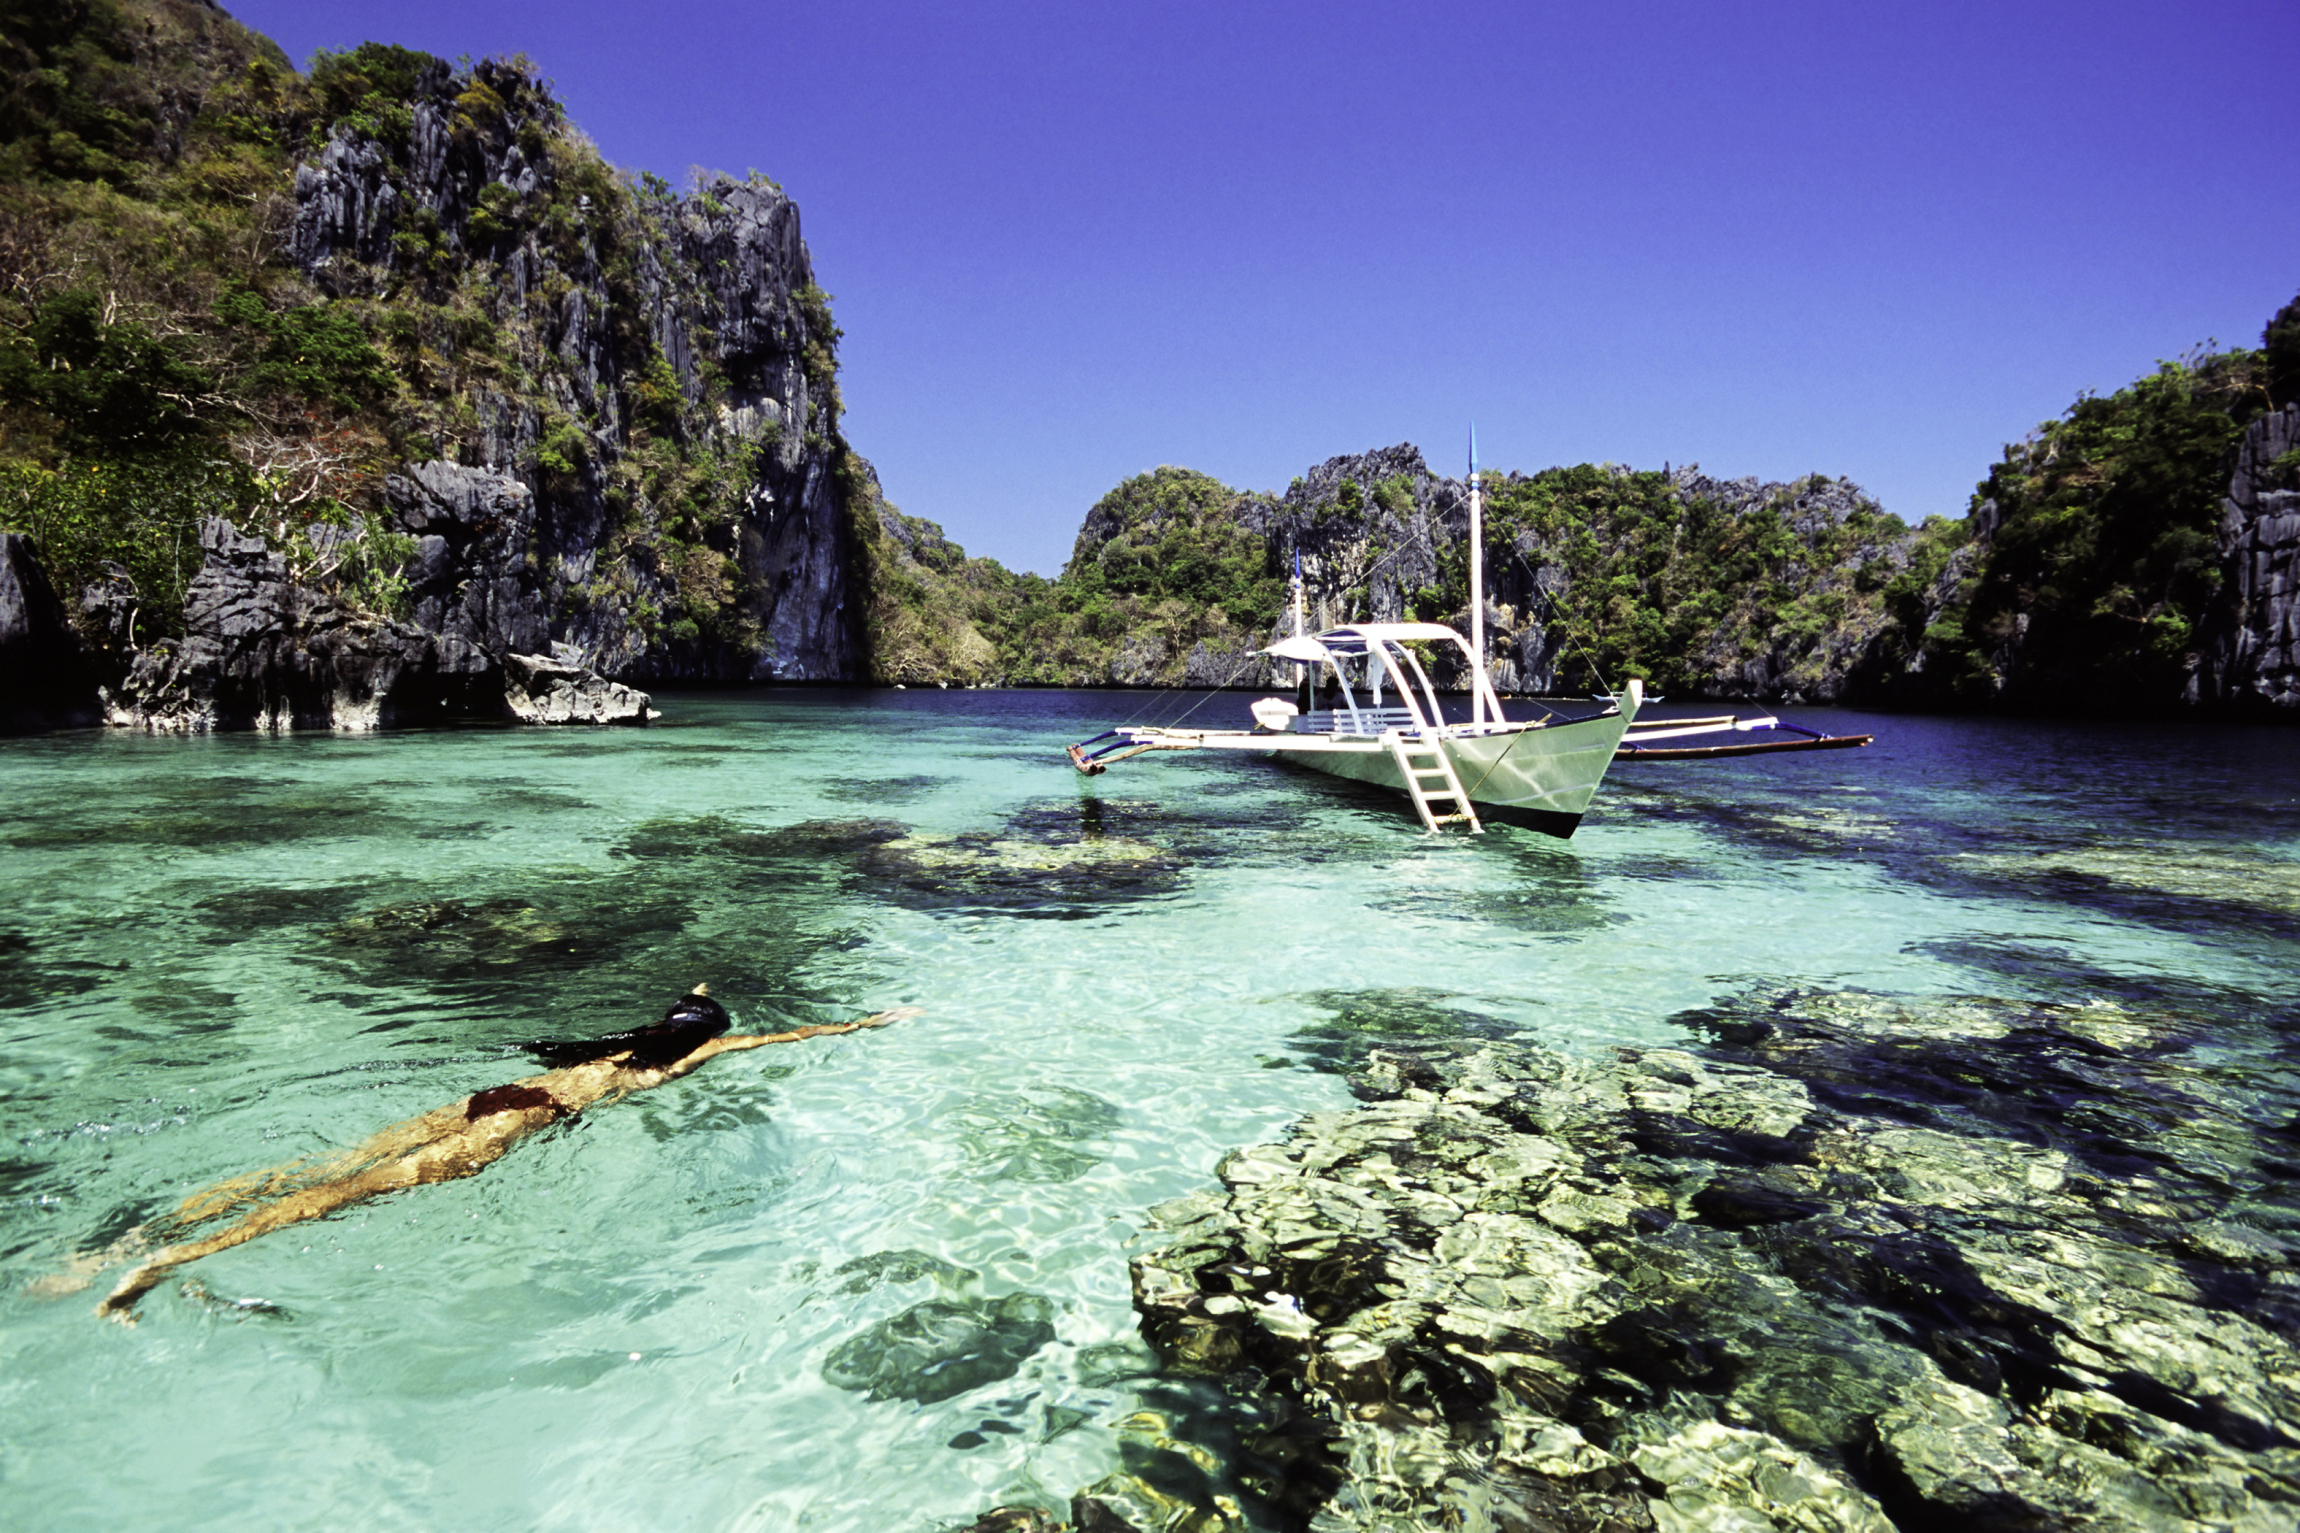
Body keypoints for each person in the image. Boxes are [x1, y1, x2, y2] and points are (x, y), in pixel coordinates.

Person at [47, 987, 915, 1322]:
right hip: (512, 1126)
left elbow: (690, 998)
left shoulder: (628, 1039)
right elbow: (785, 1034)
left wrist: (694, 992)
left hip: (482, 1098)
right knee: (340, 1194)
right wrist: (867, 1023)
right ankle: (163, 1262)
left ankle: (127, 1239)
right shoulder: (690, 1052)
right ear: (698, 1040)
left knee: (308, 1169)